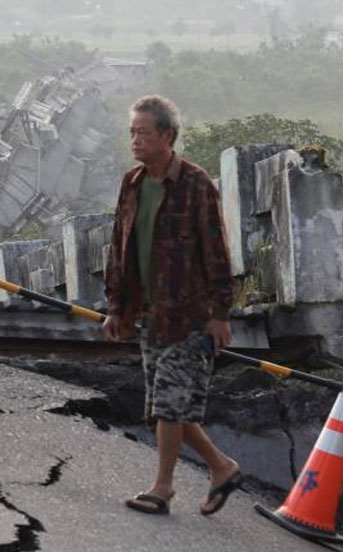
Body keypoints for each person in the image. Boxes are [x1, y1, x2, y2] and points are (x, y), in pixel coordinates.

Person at [102, 94, 243, 516]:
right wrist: (115, 306)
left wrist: (220, 314)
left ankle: (162, 488)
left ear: (167, 135)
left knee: (167, 404)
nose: (135, 141)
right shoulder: (131, 184)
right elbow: (118, 248)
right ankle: (222, 467)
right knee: (164, 408)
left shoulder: (196, 184)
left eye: (143, 133)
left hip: (189, 315)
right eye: (131, 133)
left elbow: (216, 249)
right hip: (149, 312)